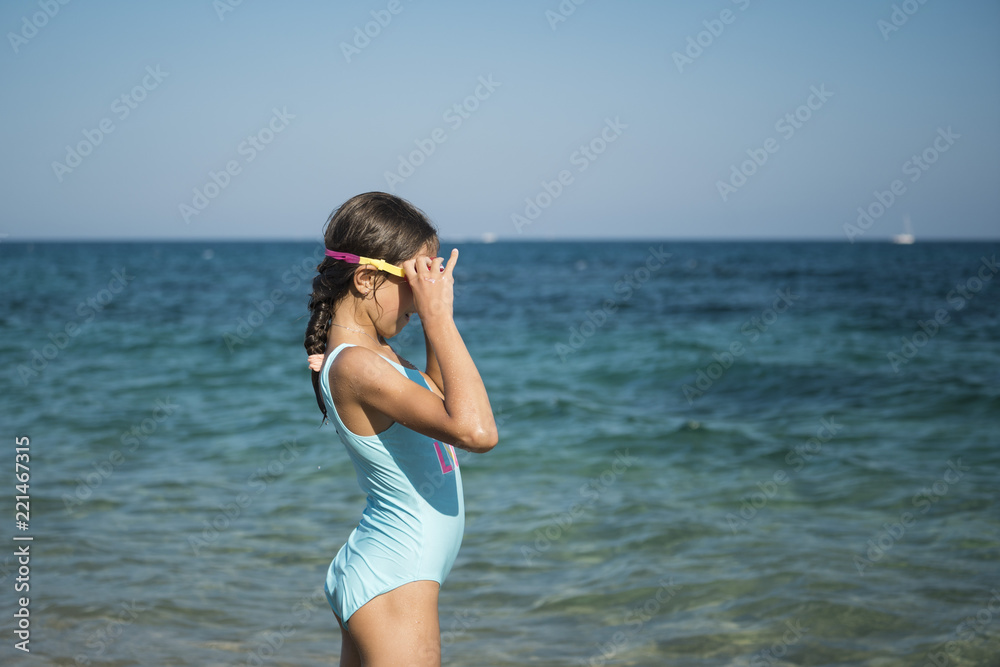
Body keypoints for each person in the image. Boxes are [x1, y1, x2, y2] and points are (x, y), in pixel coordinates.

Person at [303, 192, 498, 666]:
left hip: (385, 574)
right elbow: (476, 432)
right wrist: (440, 318)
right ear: (367, 278)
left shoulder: (377, 358)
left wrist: (433, 322)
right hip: (393, 577)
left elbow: (438, 394)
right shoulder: (356, 365)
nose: (425, 291)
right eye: (416, 277)